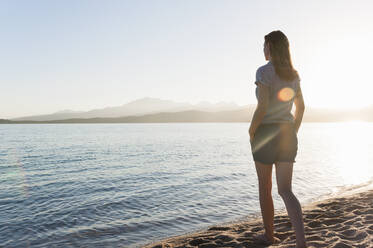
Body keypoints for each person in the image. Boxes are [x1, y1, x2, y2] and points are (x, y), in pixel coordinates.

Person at [248, 30, 307, 247]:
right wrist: (293, 131)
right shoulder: (293, 74)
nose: (263, 50)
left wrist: (251, 131)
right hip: (287, 133)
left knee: (265, 188)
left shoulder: (263, 72)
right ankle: (302, 243)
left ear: (271, 47)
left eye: (264, 45)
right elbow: (301, 108)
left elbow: (262, 106)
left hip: (265, 133)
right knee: (286, 190)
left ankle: (269, 236)